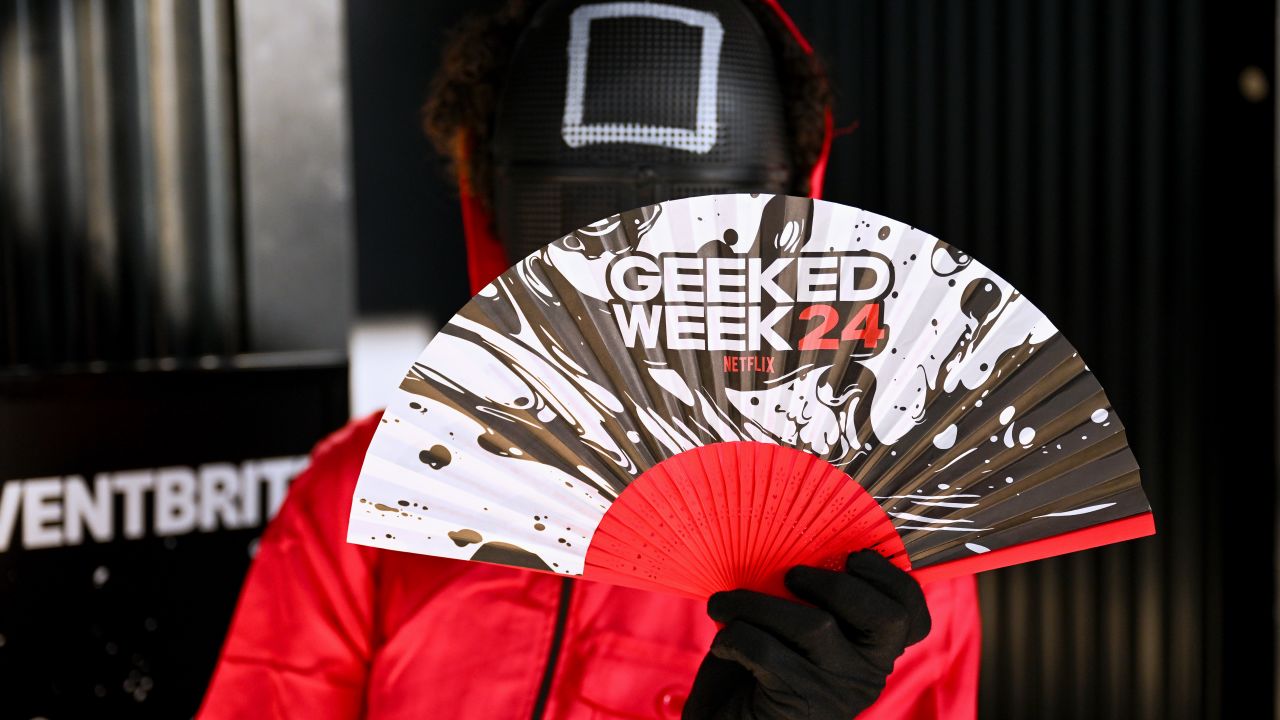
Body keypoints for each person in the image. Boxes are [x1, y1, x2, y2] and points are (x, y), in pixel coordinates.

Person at [199, 2, 982, 718]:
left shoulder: (871, 565)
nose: (627, 261)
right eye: (578, 216)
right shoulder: (363, 494)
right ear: (490, 198)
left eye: (686, 210)